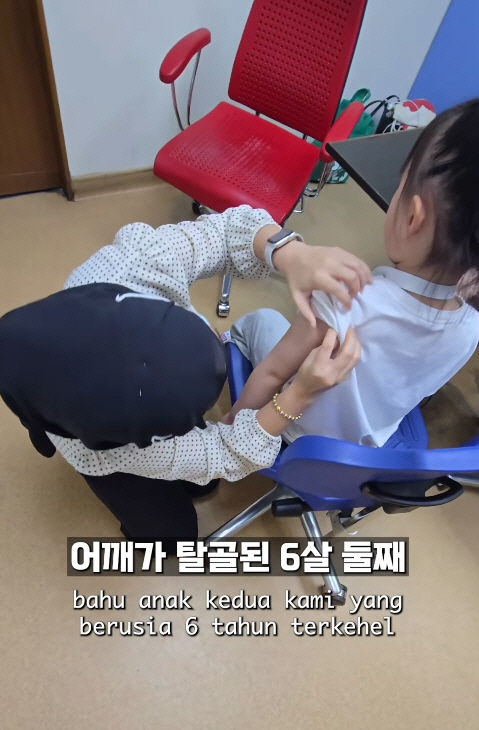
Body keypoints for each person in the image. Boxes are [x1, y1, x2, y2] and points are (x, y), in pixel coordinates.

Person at [0, 205, 369, 546]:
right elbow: (224, 451)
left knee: (201, 481)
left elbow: (227, 230)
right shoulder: (115, 453)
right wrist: (299, 395)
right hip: (106, 452)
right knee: (170, 536)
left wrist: (290, 253)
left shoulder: (134, 263)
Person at [229, 100, 479, 448]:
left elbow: (273, 373)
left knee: (260, 320)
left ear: (413, 217)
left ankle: (228, 347)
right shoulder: (471, 330)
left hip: (294, 434)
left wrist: (229, 434)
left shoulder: (347, 297)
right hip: (361, 450)